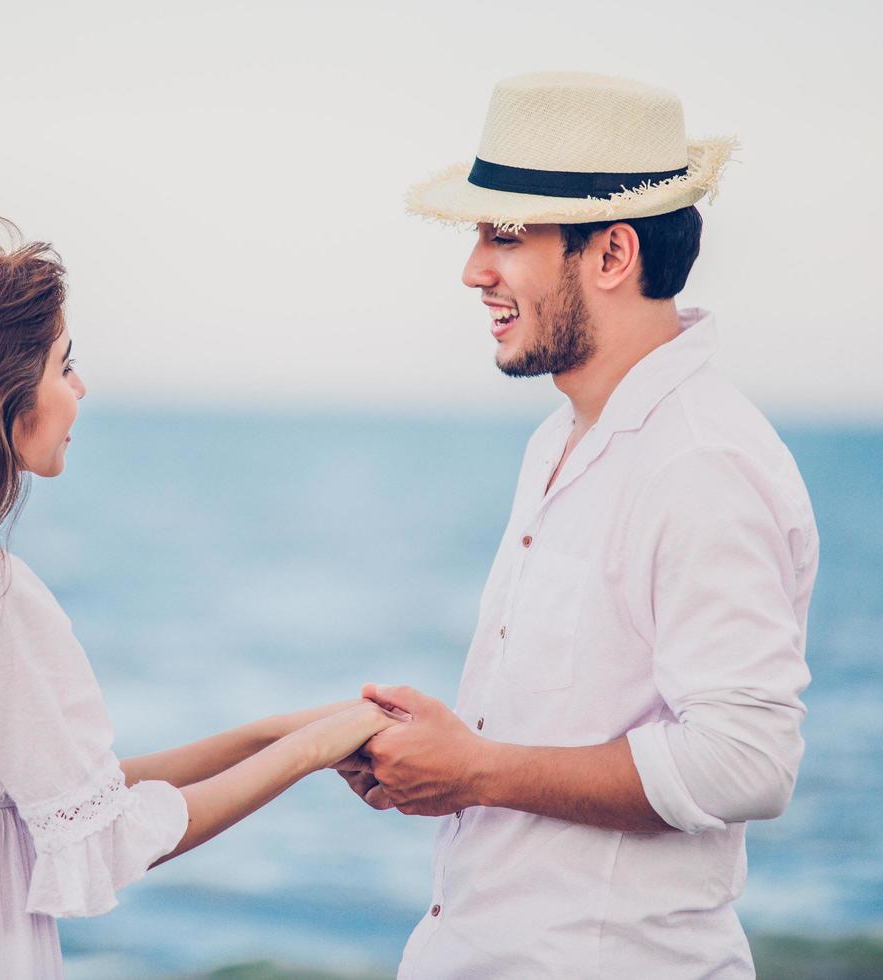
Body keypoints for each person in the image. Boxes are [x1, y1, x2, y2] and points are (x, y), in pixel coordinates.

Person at [0, 229, 399, 978]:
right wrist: (310, 753)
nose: (81, 387)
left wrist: (276, 732)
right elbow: (103, 837)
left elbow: (51, 790)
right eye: (64, 364)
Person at [336, 72, 819, 977]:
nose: (474, 267)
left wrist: (474, 771)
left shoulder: (700, 461)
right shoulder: (564, 437)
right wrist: (443, 758)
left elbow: (748, 761)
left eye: (506, 233)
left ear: (610, 255)